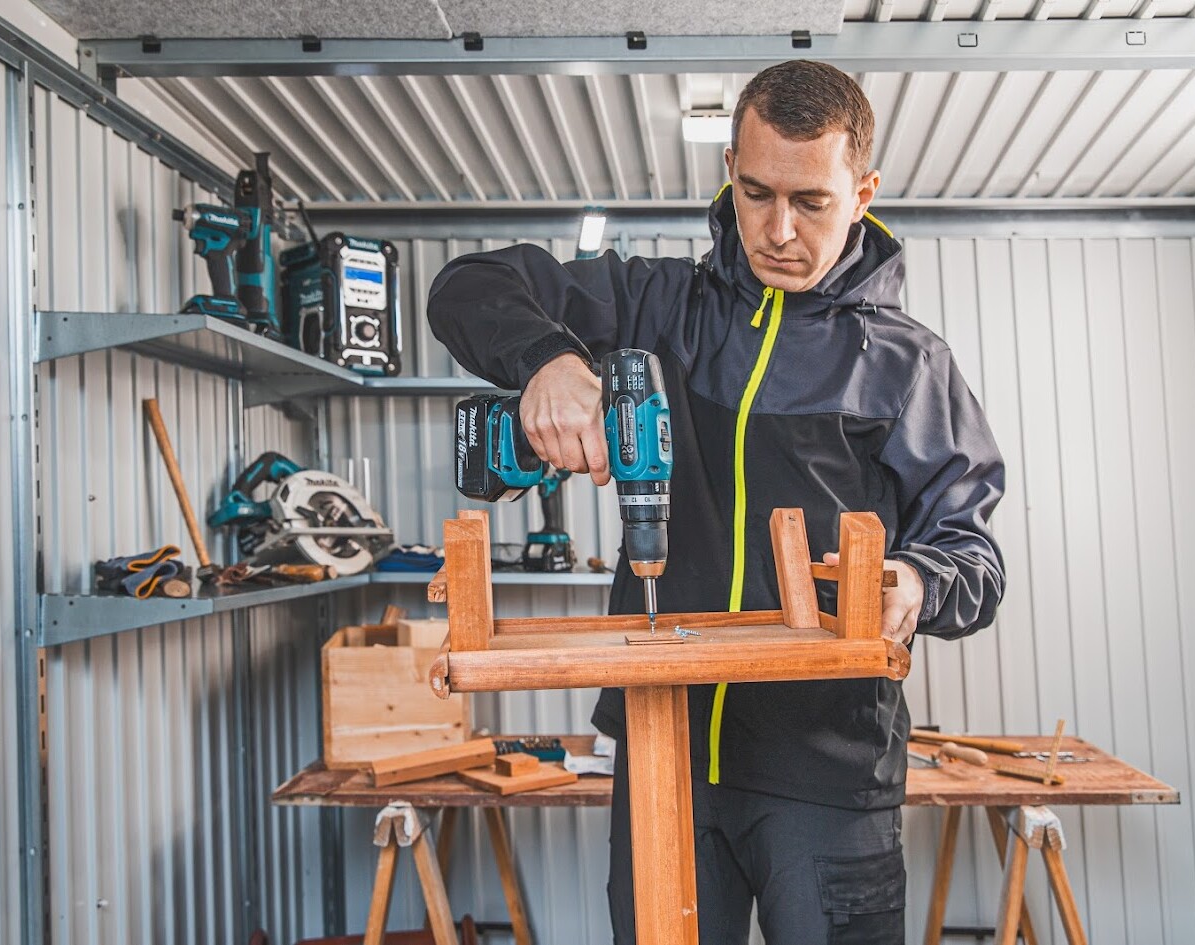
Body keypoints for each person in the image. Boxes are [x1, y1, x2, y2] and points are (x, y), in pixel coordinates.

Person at [427, 59, 1005, 945]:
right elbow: (465, 286)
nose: (778, 229)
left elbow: (974, 554)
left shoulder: (906, 366)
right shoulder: (657, 307)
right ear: (730, 169)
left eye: (811, 200)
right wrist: (546, 358)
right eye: (755, 190)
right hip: (666, 754)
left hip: (828, 774)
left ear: (863, 192)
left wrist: (917, 582)